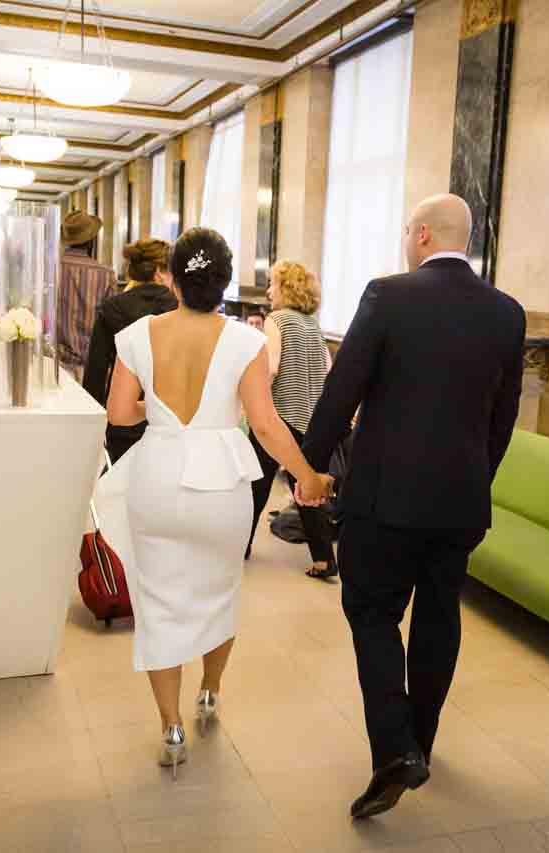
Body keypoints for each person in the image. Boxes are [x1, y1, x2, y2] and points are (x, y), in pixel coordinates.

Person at [299, 194, 525, 820]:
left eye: (406, 230)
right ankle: (420, 742)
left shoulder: (387, 295)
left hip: (384, 500)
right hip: (461, 503)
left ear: (422, 235)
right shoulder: (506, 313)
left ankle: (395, 752)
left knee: (371, 612)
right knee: (438, 617)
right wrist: (477, 479)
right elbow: (503, 416)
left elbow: (342, 389)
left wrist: (309, 467)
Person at [98, 228, 330, 776]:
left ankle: (170, 726)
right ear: (224, 283)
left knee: (158, 604)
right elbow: (267, 427)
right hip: (222, 486)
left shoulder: (135, 335)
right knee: (218, 594)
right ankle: (210, 691)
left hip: (156, 480)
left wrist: (155, 416)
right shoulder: (245, 342)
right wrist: (309, 478)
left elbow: (117, 413)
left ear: (172, 279)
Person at [244, 260, 337, 580]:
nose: (269, 291)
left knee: (254, 484)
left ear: (286, 288)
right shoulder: (314, 325)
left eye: (272, 284)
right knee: (306, 488)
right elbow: (327, 370)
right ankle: (325, 558)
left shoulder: (277, 320)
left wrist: (254, 402)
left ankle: (240, 545)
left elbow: (270, 368)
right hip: (310, 420)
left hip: (281, 417)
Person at [83, 238, 180, 462]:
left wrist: (95, 426)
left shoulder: (112, 308)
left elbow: (96, 372)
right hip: (169, 420)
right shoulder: (179, 310)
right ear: (159, 272)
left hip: (122, 420)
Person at [58, 211, 117, 379]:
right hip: (91, 367)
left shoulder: (50, 269)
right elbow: (110, 323)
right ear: (92, 241)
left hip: (53, 365)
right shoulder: (106, 274)